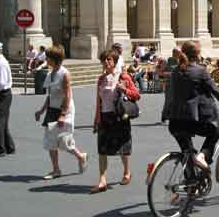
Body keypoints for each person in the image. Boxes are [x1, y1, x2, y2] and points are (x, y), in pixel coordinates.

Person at [167, 41, 219, 170]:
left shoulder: (175, 72)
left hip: (174, 121)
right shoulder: (200, 71)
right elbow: (216, 91)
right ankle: (203, 156)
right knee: (217, 129)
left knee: (188, 154)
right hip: (192, 120)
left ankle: (191, 182)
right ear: (197, 55)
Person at [34, 46, 88, 179]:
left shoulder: (64, 74)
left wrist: (63, 114)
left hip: (65, 109)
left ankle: (81, 156)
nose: (46, 59)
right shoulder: (49, 74)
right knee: (50, 140)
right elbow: (50, 96)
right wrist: (41, 110)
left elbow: (68, 96)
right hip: (52, 109)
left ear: (54, 59)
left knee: (64, 141)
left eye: (48, 57)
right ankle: (56, 170)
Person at [91, 49, 140, 193]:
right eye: (104, 60)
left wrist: (125, 89)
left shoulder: (123, 77)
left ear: (115, 61)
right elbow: (98, 101)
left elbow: (137, 95)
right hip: (105, 117)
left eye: (109, 60)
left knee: (123, 147)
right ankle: (102, 181)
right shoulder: (101, 79)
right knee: (102, 149)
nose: (106, 62)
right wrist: (96, 119)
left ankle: (126, 172)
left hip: (119, 116)